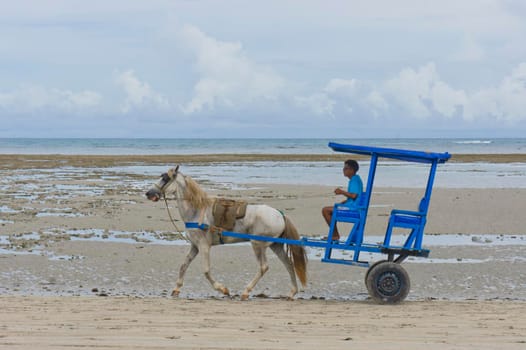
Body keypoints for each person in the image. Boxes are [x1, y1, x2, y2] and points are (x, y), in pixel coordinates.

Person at [322, 159, 363, 241]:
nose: (343, 170)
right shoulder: (355, 179)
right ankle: (335, 235)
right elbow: (354, 196)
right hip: (352, 206)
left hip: (353, 209)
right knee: (330, 209)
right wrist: (345, 201)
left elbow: (354, 196)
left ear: (352, 170)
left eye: (346, 168)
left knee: (325, 210)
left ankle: (335, 235)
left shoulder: (354, 180)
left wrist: (341, 192)